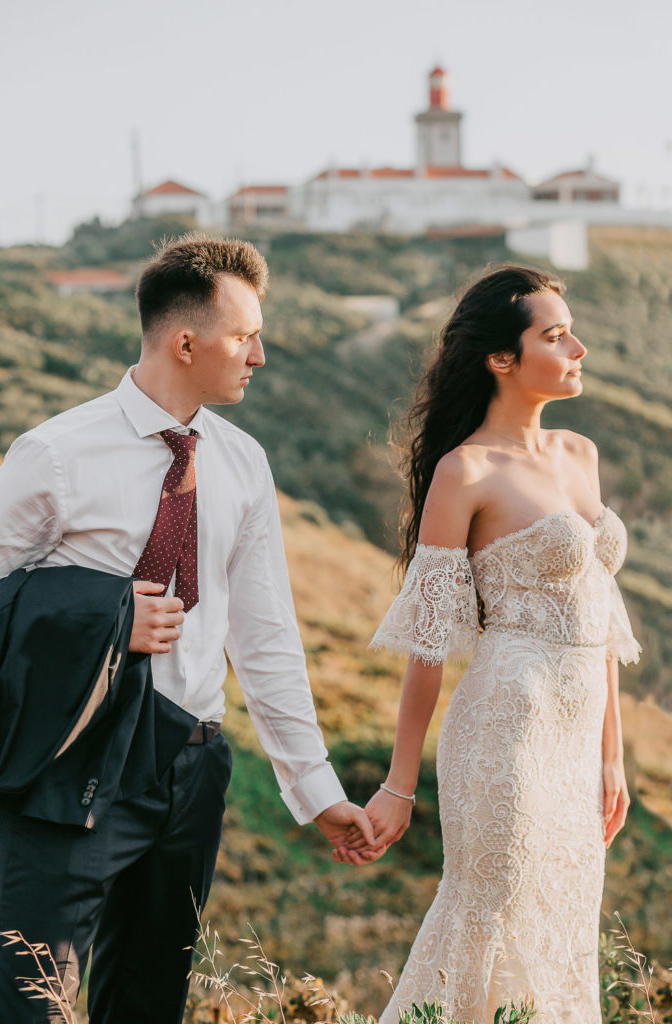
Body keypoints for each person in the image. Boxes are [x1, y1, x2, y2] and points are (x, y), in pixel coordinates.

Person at [0, 234, 376, 1024]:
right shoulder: (56, 453)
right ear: (185, 341)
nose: (259, 356)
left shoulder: (242, 463)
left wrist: (315, 788)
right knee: (34, 1006)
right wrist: (106, 616)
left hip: (192, 766)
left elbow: (265, 636)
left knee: (148, 1005)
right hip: (73, 766)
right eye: (245, 336)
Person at [341, 266, 641, 1024]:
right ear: (500, 359)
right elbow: (428, 644)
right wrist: (398, 785)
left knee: (561, 916)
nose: (576, 345)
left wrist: (611, 754)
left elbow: (598, 612)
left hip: (576, 744)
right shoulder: (464, 470)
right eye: (553, 334)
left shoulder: (579, 454)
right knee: (494, 912)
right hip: (504, 726)